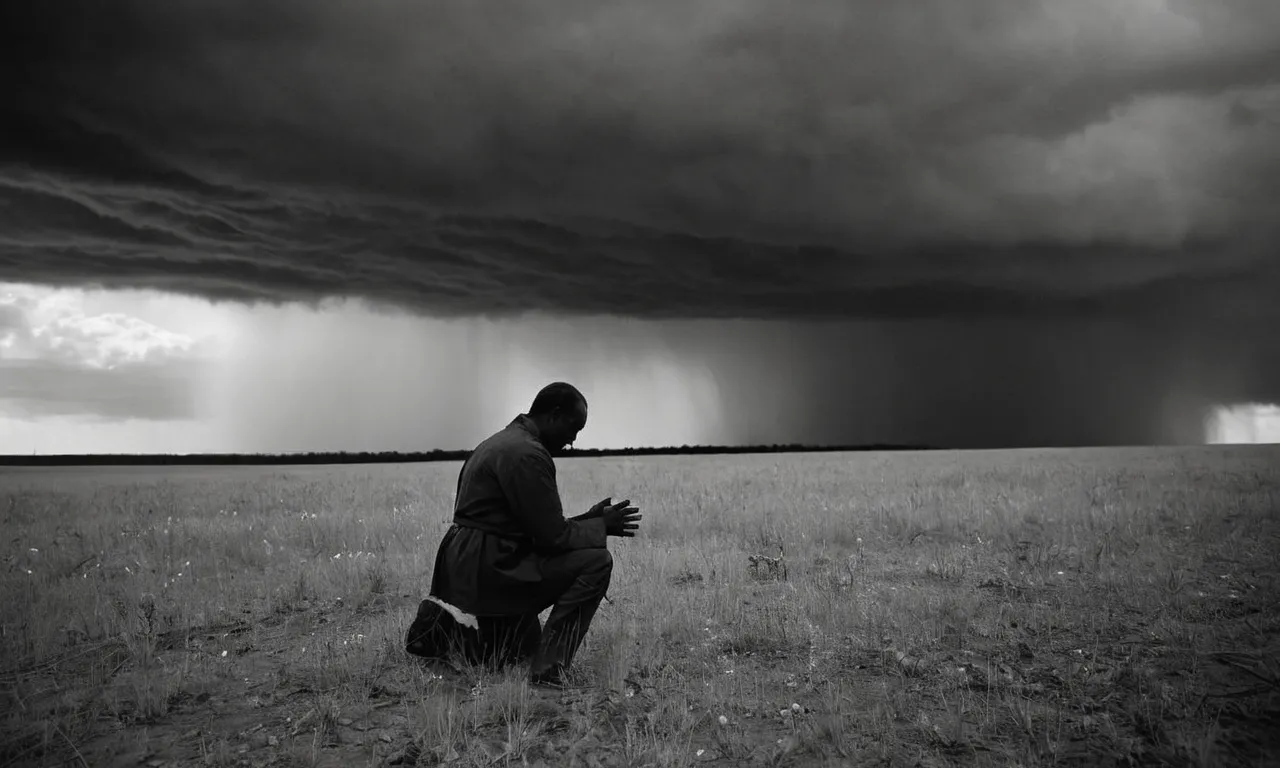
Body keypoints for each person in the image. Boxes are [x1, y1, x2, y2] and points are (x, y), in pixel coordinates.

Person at [406, 381, 642, 687]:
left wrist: (589, 519)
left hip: (469, 570)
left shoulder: (500, 442)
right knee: (596, 562)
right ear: (554, 414)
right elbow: (552, 538)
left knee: (511, 655)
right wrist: (602, 526)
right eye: (574, 428)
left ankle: (462, 636)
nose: (572, 440)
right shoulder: (528, 454)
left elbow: (531, 525)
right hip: (492, 570)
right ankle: (548, 671)